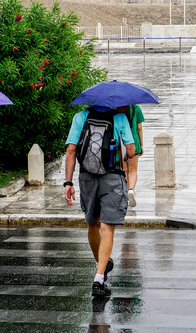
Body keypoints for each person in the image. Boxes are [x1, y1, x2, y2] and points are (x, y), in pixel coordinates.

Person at [64, 105, 135, 297]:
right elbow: (130, 151)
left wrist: (68, 182)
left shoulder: (81, 116)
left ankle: (100, 264)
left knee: (92, 224)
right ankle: (99, 278)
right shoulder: (120, 118)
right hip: (113, 177)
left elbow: (71, 151)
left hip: (87, 177)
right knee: (107, 227)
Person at [117, 105, 145, 208]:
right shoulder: (136, 108)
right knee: (133, 170)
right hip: (134, 143)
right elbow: (139, 128)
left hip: (121, 143)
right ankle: (131, 190)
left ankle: (125, 193)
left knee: (124, 170)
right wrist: (142, 145)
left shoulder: (116, 108)